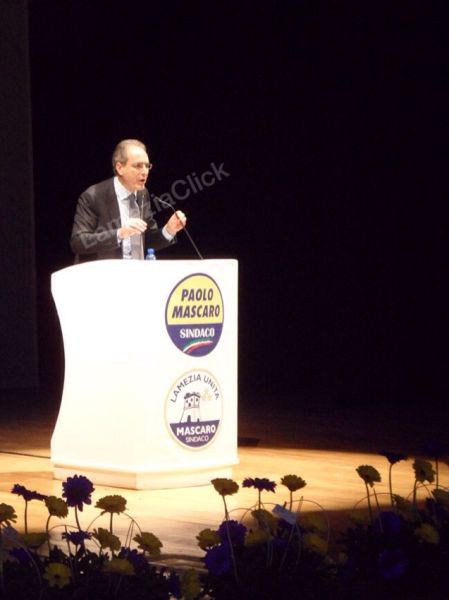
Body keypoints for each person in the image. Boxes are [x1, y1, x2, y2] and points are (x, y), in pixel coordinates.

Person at [70, 139, 186, 262]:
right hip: (103, 271)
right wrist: (119, 233)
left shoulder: (142, 193)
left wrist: (169, 230)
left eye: (147, 166)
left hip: (137, 270)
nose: (144, 172)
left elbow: (146, 242)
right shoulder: (93, 196)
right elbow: (78, 242)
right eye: (138, 166)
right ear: (119, 168)